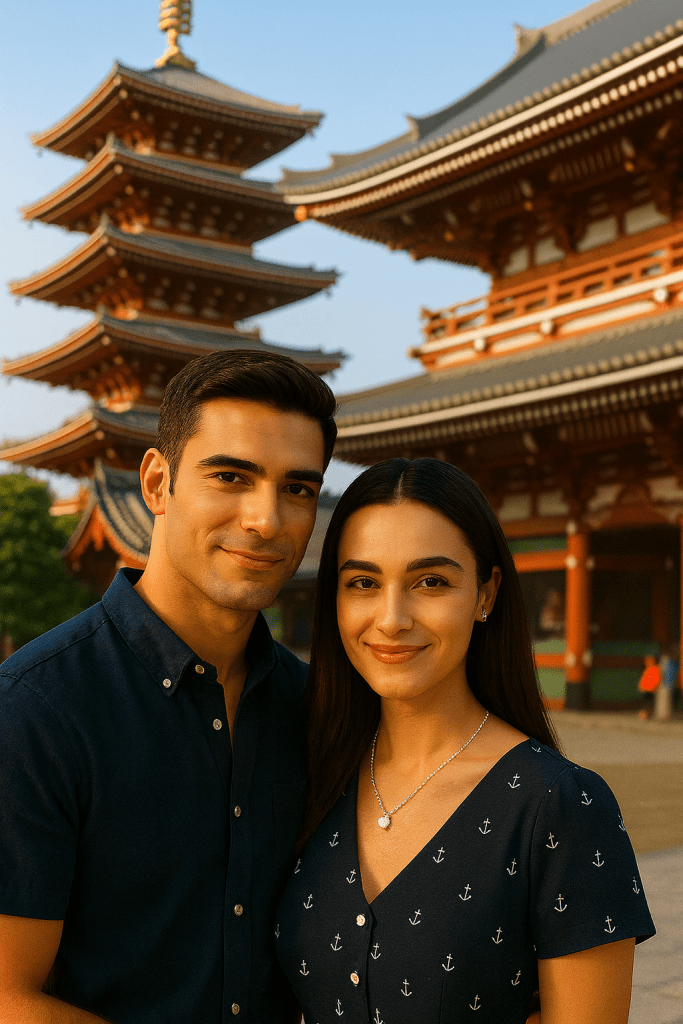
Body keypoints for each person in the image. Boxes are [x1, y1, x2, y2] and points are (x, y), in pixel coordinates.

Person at [0, 349, 336, 1023]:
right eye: (231, 476)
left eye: (298, 488)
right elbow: (9, 996)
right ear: (157, 482)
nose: (266, 520)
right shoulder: (35, 708)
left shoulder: (316, 709)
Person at [276, 458, 655, 1024]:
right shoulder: (311, 772)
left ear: (486, 592)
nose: (392, 618)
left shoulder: (559, 805)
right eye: (363, 583)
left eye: (431, 582)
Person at [637, 654, 660, 720]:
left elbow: (656, 680)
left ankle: (646, 715)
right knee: (645, 703)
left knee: (648, 704)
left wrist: (654, 687)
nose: (647, 662)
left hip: (651, 690)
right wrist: (640, 686)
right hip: (645, 690)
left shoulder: (655, 669)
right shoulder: (647, 669)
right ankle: (645, 715)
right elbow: (644, 679)